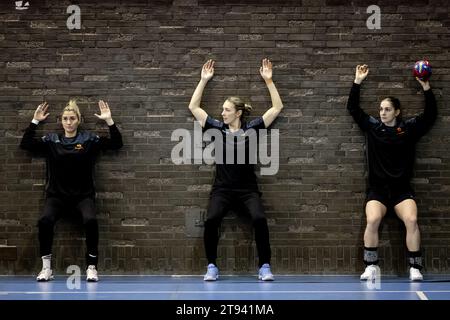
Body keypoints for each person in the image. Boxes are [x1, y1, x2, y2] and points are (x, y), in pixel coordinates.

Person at [188, 58, 283, 281]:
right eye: (222, 109)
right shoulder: (217, 129)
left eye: (227, 109)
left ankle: (265, 267)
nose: (222, 113)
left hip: (248, 190)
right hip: (222, 189)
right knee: (211, 219)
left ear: (238, 113)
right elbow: (193, 107)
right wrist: (203, 81)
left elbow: (277, 107)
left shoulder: (252, 129)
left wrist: (269, 81)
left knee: (259, 219)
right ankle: (211, 266)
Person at [347, 64, 437, 281]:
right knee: (373, 220)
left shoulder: (408, 129)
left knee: (412, 220)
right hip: (377, 190)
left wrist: (426, 88)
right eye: (380, 109)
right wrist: (357, 81)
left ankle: (415, 267)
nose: (382, 112)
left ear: (397, 112)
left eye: (387, 109)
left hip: (401, 190)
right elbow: (353, 108)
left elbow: (430, 116)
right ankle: (371, 266)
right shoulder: (373, 127)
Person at [20, 100, 123, 282]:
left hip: (83, 196)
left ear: (78, 120)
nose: (68, 122)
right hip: (56, 196)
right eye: (65, 119)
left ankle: (92, 267)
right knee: (45, 221)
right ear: (61, 121)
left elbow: (116, 144)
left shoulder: (88, 140)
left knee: (91, 220)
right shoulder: (52, 140)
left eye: (72, 118)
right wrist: (35, 121)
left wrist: (109, 121)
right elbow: (26, 144)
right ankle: (46, 269)